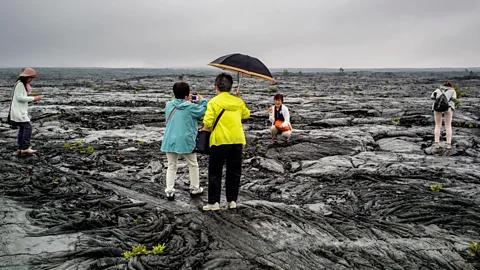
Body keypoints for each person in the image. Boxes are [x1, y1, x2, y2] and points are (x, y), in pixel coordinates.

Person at [202, 73, 250, 211]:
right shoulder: (238, 102)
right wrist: (239, 100)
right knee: (234, 172)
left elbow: (208, 122)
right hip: (236, 141)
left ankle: (213, 203)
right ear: (230, 87)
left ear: (217, 87)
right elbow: (246, 114)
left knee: (215, 172)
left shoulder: (213, 102)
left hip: (219, 141)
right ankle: (232, 201)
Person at [160, 82, 207, 199]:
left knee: (171, 165)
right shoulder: (191, 107)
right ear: (187, 95)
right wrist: (203, 100)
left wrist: (185, 99)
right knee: (193, 164)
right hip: (186, 140)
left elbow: (176, 102)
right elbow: (204, 111)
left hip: (170, 139)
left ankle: (169, 190)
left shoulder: (169, 105)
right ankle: (195, 188)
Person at [9, 68, 42, 154]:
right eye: (30, 78)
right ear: (26, 77)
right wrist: (34, 98)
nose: (31, 80)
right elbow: (20, 98)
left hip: (18, 110)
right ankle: (25, 148)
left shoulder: (20, 84)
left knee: (22, 128)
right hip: (19, 112)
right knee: (28, 127)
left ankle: (20, 148)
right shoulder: (20, 85)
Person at [430, 82, 457, 150]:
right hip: (448, 107)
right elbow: (454, 98)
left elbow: (432, 97)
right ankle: (448, 144)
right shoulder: (452, 90)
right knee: (448, 126)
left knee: (438, 125)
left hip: (437, 108)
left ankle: (436, 143)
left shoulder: (438, 90)